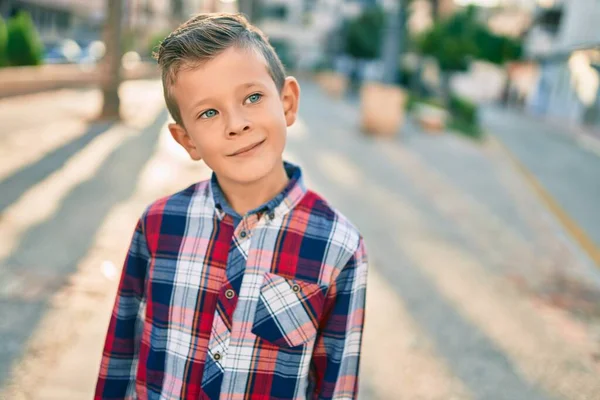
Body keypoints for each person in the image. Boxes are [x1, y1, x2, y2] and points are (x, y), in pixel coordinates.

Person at [95, 12, 368, 400]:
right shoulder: (157, 226)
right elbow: (120, 353)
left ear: (287, 103)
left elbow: (335, 386)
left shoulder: (340, 246)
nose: (236, 124)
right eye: (209, 112)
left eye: (253, 97)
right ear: (186, 140)